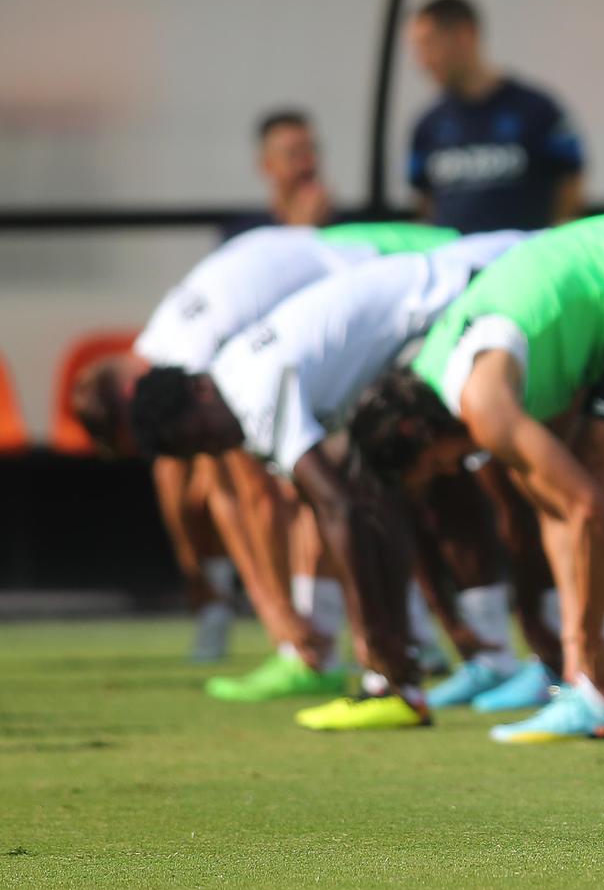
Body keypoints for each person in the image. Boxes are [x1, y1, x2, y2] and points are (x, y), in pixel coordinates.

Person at [126, 232, 530, 730]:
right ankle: (412, 672)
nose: (219, 443)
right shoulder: (235, 380)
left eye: (206, 431)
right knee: (392, 486)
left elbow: (336, 507)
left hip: (468, 292)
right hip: (453, 291)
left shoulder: (251, 394)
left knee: (500, 476)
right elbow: (346, 504)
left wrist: (370, 638)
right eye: (205, 448)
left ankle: (423, 670)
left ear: (201, 387)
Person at [71, 221, 459, 666]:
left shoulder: (191, 367)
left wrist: (279, 619)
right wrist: (271, 608)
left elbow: (251, 496)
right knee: (330, 479)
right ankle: (391, 639)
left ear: (130, 402)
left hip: (405, 265)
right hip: (372, 258)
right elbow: (228, 497)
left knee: (343, 479)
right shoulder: (165, 343)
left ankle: (378, 645)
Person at [350, 211, 604, 744]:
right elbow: (555, 510)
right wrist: (574, 648)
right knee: (572, 489)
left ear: (414, 430)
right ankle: (595, 691)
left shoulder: (482, 403)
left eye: (433, 467)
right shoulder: (441, 371)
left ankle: (601, 690)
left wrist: (588, 646)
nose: (451, 471)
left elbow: (590, 511)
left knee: (602, 481)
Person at [406, 0, 587, 232]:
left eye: (429, 45)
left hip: (526, 262)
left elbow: (570, 187)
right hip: (457, 265)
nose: (423, 62)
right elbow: (424, 204)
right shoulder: (428, 125)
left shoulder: (537, 111)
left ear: (464, 35)